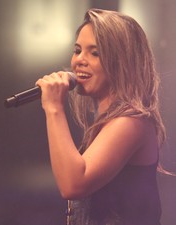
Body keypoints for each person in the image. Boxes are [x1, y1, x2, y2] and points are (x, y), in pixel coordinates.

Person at [35, 8, 166, 225]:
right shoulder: (108, 124)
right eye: (77, 50)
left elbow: (73, 184)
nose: (79, 61)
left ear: (122, 62)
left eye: (94, 53)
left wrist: (54, 108)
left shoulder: (131, 122)